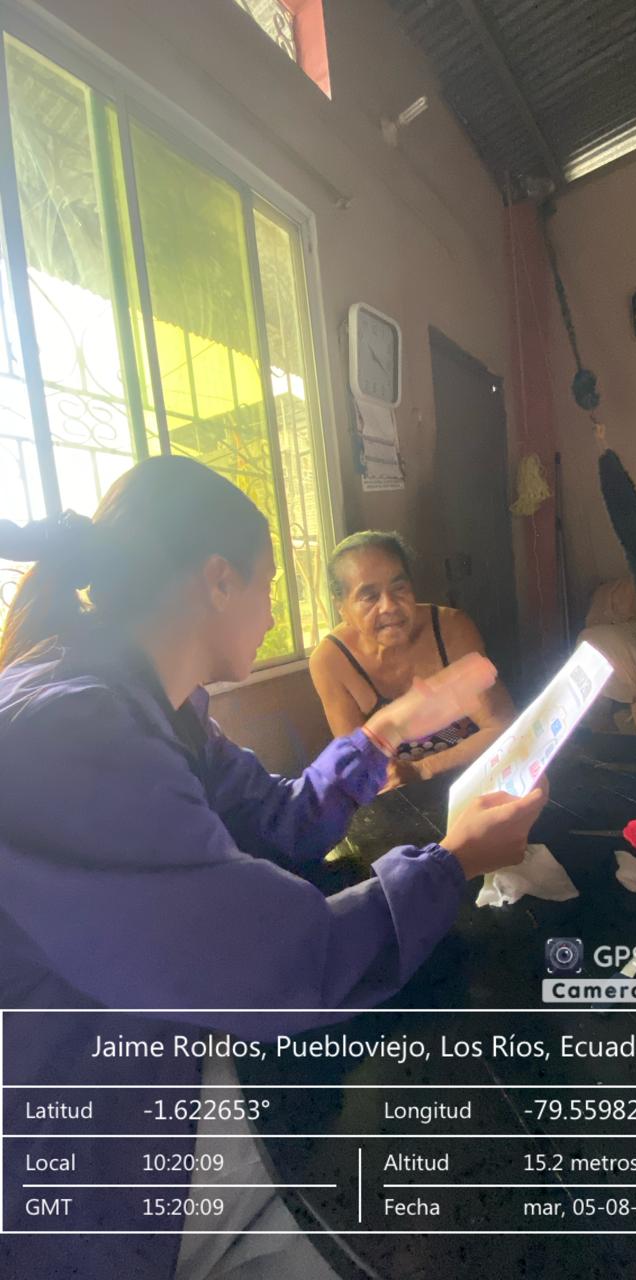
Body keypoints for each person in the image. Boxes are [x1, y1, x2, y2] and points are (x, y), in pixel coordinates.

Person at [0, 457, 544, 1280]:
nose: (271, 614)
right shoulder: (71, 732)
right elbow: (280, 964)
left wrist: (386, 731)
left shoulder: (154, 703)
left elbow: (278, 821)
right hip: (89, 1158)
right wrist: (454, 861)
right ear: (220, 580)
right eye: (269, 586)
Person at [310, 531, 516, 788]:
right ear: (341, 606)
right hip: (397, 796)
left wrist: (422, 769)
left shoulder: (451, 629)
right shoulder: (331, 660)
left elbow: (502, 726)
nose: (389, 606)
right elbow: (358, 765)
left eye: (399, 588)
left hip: (477, 776)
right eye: (369, 596)